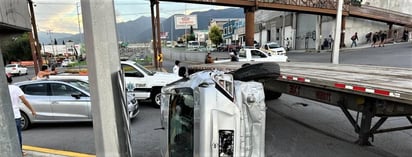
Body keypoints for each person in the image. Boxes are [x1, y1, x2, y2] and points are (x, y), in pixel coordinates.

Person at [6, 74, 36, 156]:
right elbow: (24, 101)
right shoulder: (16, 88)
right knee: (17, 134)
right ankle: (19, 151)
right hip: (16, 115)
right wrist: (32, 110)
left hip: (5, 117)